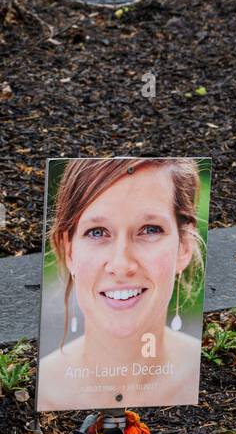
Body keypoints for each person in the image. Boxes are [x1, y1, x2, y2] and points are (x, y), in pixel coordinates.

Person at [38, 157, 205, 411]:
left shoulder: (205, 379)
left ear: (184, 247)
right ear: (69, 250)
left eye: (149, 229)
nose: (122, 264)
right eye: (97, 232)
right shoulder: (43, 388)